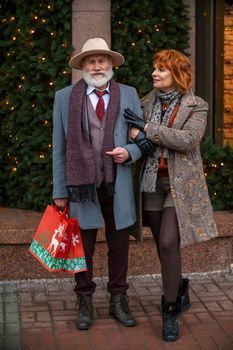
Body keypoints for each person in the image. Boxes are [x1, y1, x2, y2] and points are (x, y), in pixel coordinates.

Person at [124, 49, 219, 342]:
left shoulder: (196, 106)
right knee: (163, 245)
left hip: (179, 185)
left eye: (161, 69)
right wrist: (137, 132)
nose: (154, 73)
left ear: (177, 74)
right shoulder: (145, 101)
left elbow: (187, 140)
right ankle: (178, 286)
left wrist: (147, 130)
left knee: (167, 241)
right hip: (151, 181)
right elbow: (130, 133)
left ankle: (170, 309)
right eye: (154, 68)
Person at [52, 37, 145, 330]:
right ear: (82, 66)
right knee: (83, 247)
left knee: (119, 245)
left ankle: (118, 298)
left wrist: (129, 152)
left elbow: (142, 138)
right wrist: (59, 192)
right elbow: (59, 147)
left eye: (101, 60)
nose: (96, 66)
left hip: (118, 183)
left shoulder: (128, 94)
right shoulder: (64, 97)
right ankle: (84, 300)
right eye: (90, 61)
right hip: (82, 185)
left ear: (110, 64)